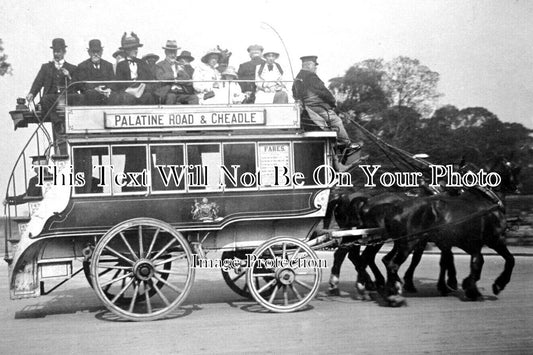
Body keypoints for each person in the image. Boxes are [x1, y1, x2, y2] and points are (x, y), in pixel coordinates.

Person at [293, 55, 362, 171]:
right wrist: (333, 102)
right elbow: (323, 92)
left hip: (306, 110)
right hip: (317, 107)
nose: (315, 68)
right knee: (337, 121)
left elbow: (295, 95)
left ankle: (339, 162)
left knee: (328, 132)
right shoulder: (311, 76)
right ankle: (348, 150)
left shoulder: (297, 79)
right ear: (309, 65)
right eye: (315, 66)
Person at [26, 38, 81, 155]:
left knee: (62, 102)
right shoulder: (46, 67)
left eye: (59, 51)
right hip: (50, 100)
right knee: (46, 100)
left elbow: (77, 86)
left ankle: (59, 128)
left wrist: (69, 76)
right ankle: (58, 124)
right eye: (55, 51)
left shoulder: (72, 68)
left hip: (64, 99)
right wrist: (32, 93)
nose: (56, 54)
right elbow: (38, 82)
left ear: (64, 52)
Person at [112, 32, 155, 105]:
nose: (136, 51)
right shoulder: (121, 65)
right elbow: (119, 83)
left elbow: (150, 78)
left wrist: (143, 87)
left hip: (142, 90)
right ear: (127, 50)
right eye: (133, 48)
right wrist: (129, 89)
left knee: (148, 96)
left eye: (136, 48)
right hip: (128, 91)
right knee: (127, 98)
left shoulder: (142, 63)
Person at [74, 39, 116, 105]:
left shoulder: (108, 65)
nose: (96, 54)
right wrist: (95, 89)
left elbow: (113, 81)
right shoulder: (82, 66)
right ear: (89, 52)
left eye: (98, 51)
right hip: (90, 97)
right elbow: (82, 84)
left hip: (106, 95)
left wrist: (109, 89)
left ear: (102, 52)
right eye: (93, 52)